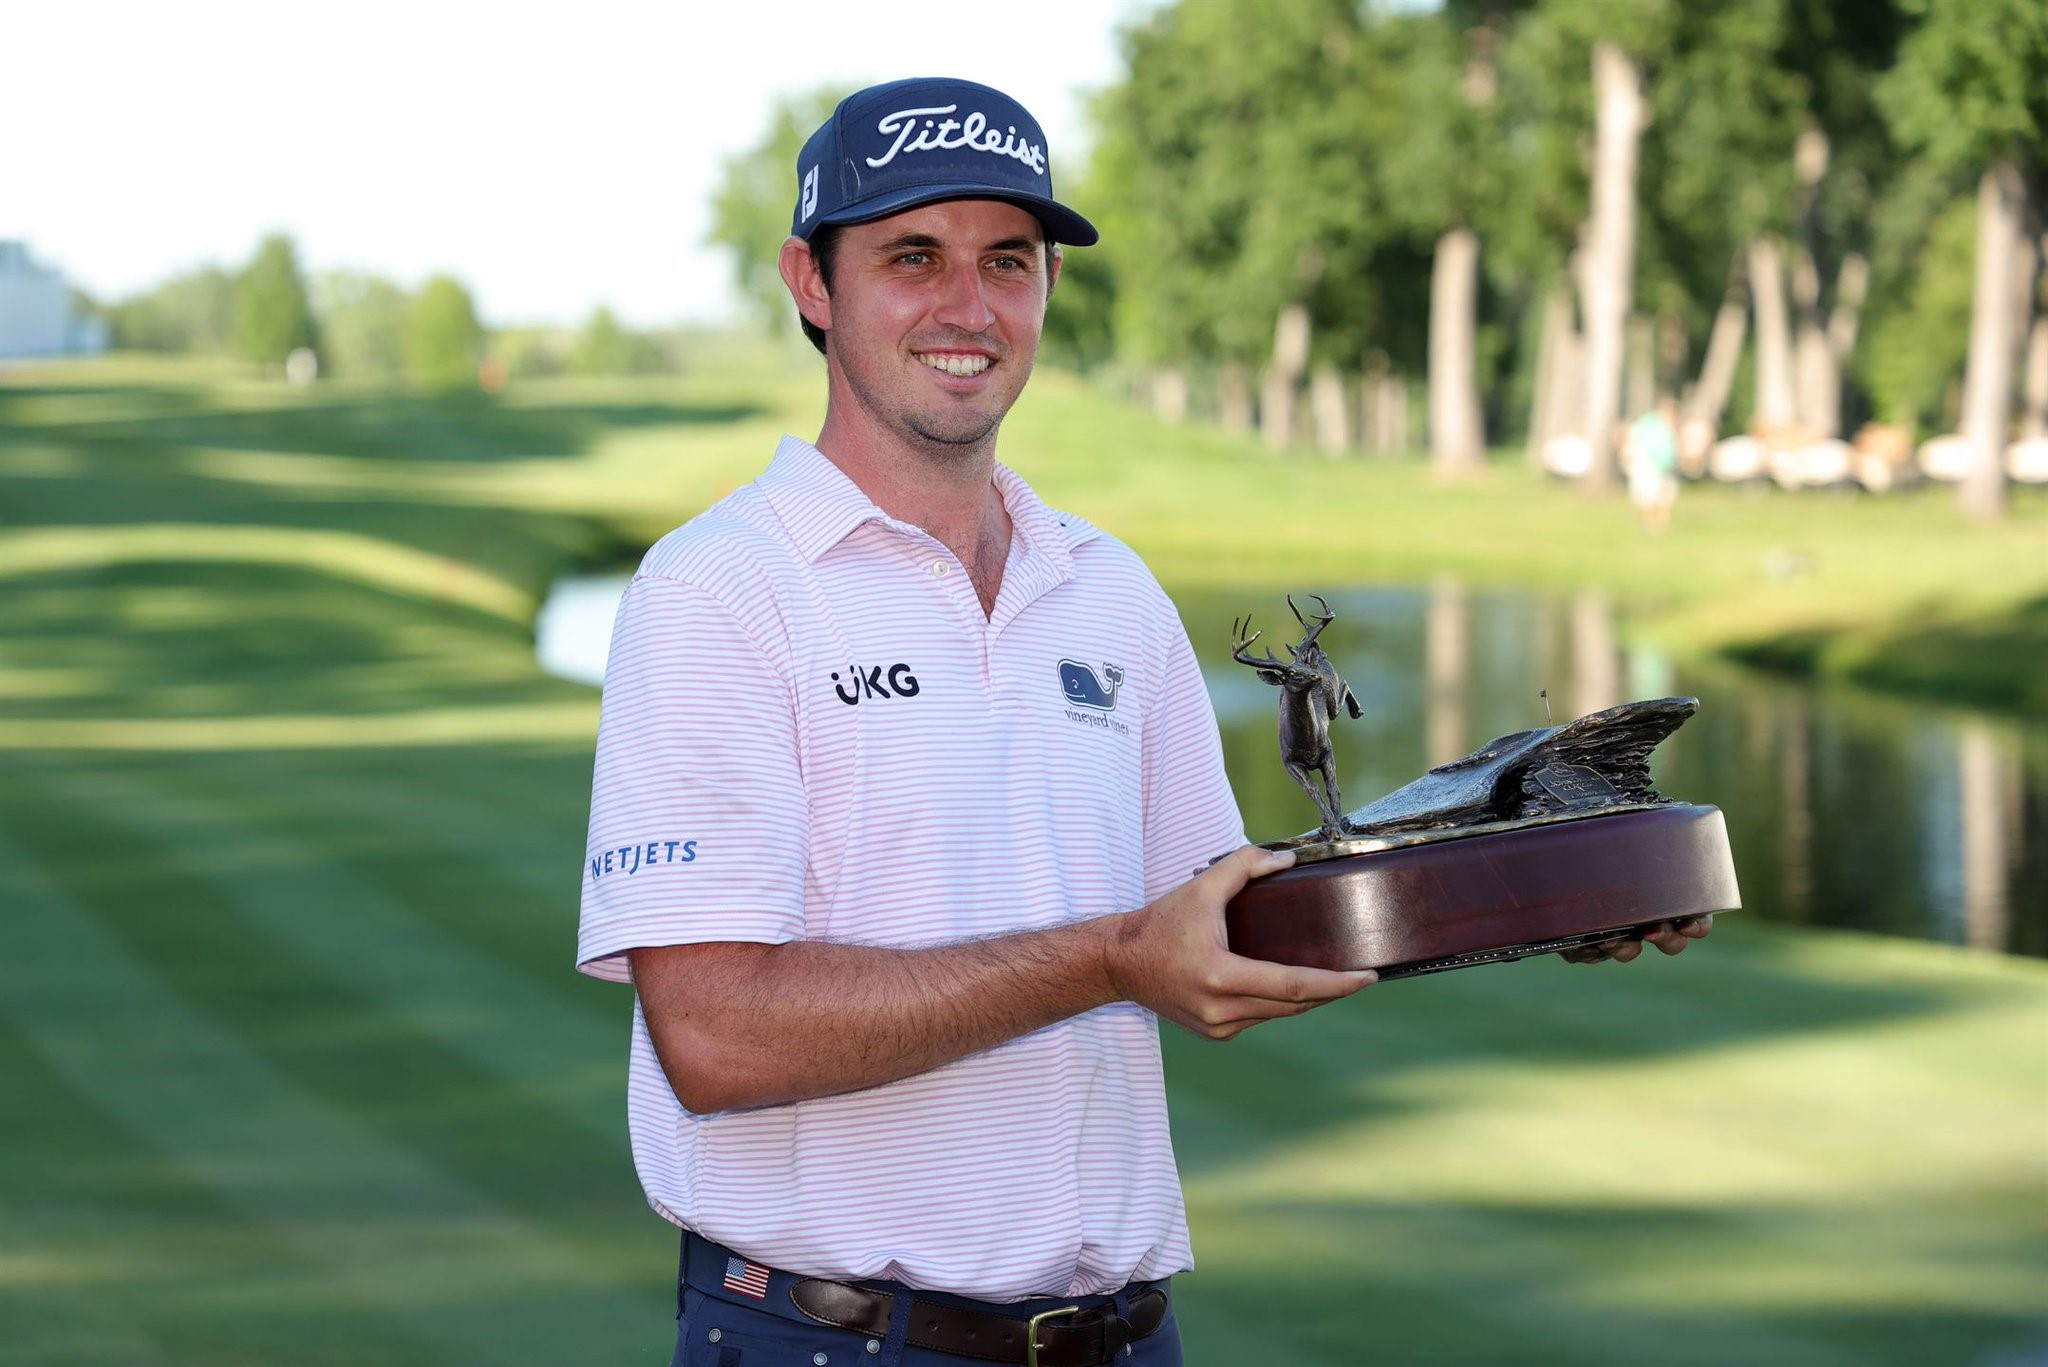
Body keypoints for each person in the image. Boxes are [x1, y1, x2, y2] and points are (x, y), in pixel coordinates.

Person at [578, 77, 1708, 1367]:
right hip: (836, 1343)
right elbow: (715, 1032)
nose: (969, 306)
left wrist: (1543, 886)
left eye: (1008, 260)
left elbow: (1218, 931)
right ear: (810, 282)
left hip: (1120, 1339)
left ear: (1048, 288)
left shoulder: (1102, 587)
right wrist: (1110, 957)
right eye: (912, 257)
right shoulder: (718, 587)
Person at [1624, 398, 1681, 532]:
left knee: (1662, 496)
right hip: (1649, 466)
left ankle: (1657, 523)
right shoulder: (1648, 425)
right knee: (1650, 497)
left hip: (1663, 468)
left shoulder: (1668, 429)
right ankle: (1651, 523)